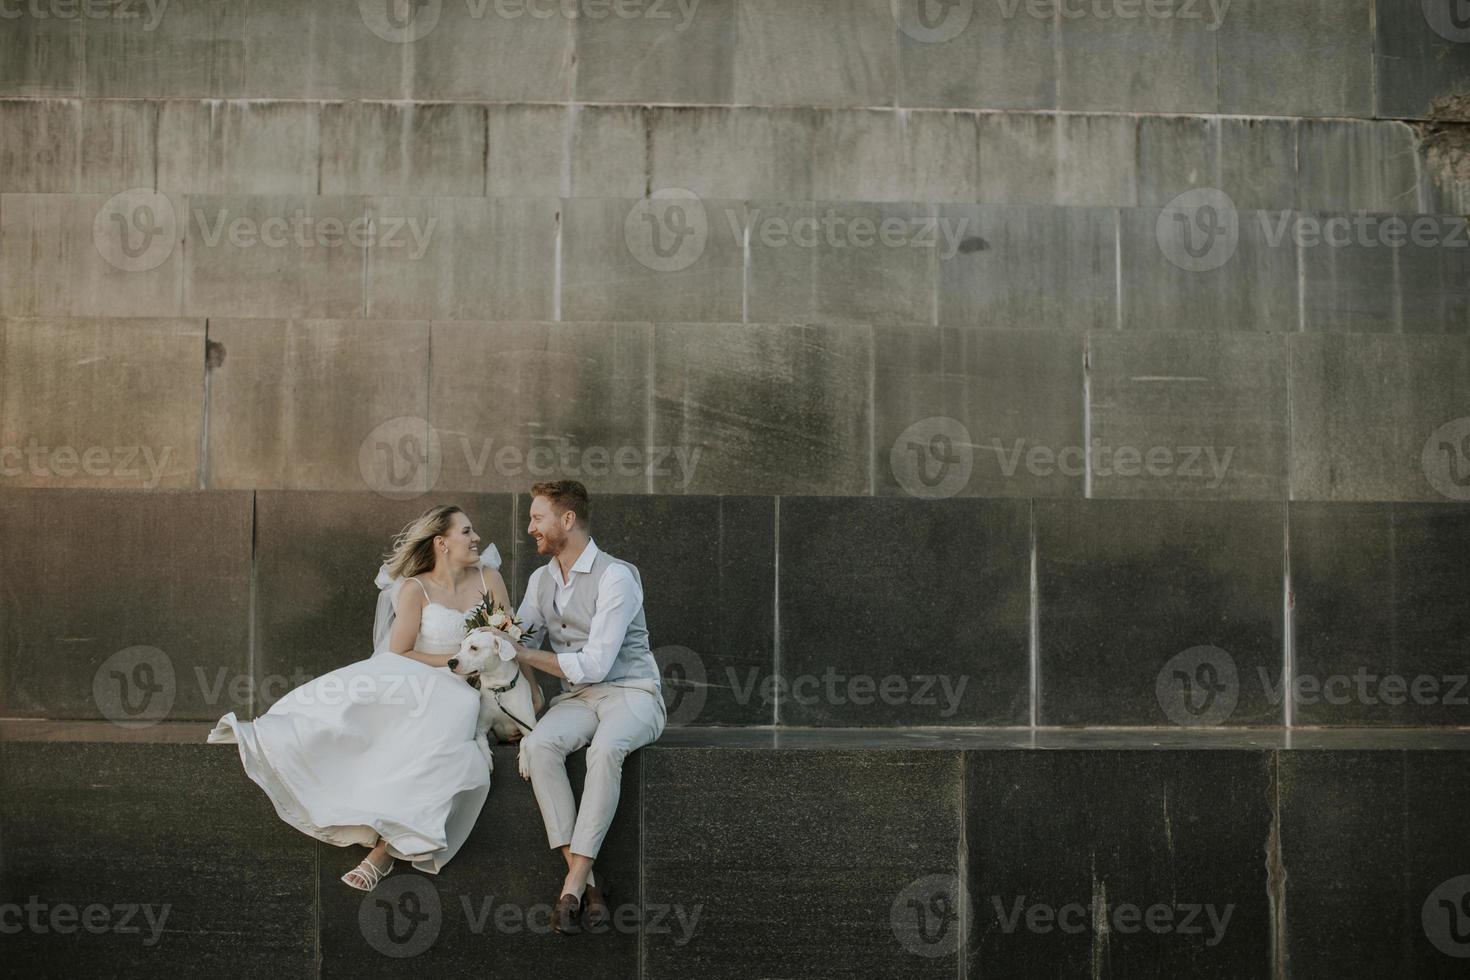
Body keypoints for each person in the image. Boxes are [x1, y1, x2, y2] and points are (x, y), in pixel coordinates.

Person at [208, 504, 540, 890]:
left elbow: (510, 642)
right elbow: (399, 651)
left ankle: (383, 850)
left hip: (475, 690)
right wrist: (454, 665)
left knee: (455, 720)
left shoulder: (488, 577)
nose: (476, 538)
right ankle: (275, 741)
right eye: (466, 531)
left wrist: (531, 690)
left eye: (472, 531)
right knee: (359, 714)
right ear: (442, 543)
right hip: (425, 676)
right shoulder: (416, 588)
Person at [500, 480, 666, 935]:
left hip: (633, 692)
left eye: (537, 518)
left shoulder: (617, 576)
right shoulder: (541, 579)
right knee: (539, 748)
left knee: (605, 751)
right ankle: (588, 882)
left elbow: (595, 663)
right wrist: (489, 639)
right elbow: (522, 640)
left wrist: (522, 654)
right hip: (577, 698)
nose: (530, 527)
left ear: (566, 520)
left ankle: (570, 884)